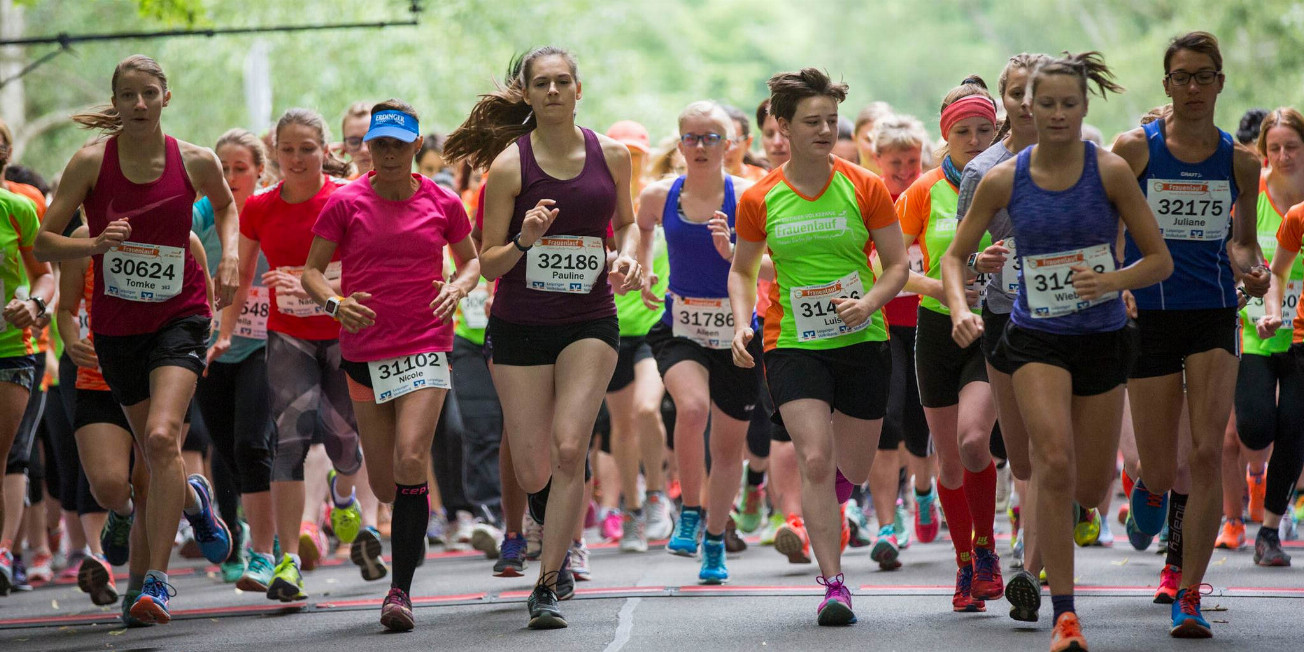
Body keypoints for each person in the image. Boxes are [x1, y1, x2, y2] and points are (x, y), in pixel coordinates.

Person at [944, 51, 1172, 651]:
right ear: (1025, 106)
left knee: (1089, 486)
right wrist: (964, 304)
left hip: (1100, 336)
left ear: (1084, 106)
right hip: (1034, 336)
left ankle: (1087, 510)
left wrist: (1111, 282)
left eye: (1068, 103)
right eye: (1044, 103)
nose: (1056, 113)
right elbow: (952, 255)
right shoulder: (999, 177)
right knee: (1050, 458)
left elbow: (1159, 260)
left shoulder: (1111, 171)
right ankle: (1064, 615)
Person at [444, 46, 642, 630]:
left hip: (591, 320)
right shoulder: (509, 167)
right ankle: (544, 508)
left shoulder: (613, 155)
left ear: (579, 89)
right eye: (542, 83)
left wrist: (627, 257)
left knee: (567, 448)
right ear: (527, 94)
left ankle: (549, 582)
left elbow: (627, 224)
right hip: (520, 325)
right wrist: (527, 238)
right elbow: (489, 264)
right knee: (534, 469)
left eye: (563, 82)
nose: (553, 91)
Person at [33, 55, 235, 623]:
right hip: (120, 329)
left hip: (183, 315)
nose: (140, 104)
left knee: (164, 436)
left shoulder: (195, 159)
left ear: (165, 97)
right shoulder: (91, 162)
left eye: (149, 93)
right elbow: (46, 242)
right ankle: (196, 500)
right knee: (149, 456)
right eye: (128, 95)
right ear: (116, 101)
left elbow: (225, 206)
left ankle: (157, 582)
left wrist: (233, 253)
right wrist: (94, 246)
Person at [730, 67, 908, 626]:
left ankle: (830, 495)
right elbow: (742, 271)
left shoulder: (865, 185)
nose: (826, 130)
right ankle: (834, 584)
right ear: (782, 127)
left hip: (861, 337)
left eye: (832, 120)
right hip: (792, 342)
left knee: (850, 468)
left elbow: (898, 264)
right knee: (812, 455)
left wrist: (870, 302)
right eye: (812, 121)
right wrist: (742, 323)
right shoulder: (761, 197)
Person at [1113, 31, 1269, 639]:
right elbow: (1112, 226)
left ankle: (1190, 592)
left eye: (1205, 76)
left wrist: (1251, 272)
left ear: (1221, 83)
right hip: (1148, 315)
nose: (1194, 88)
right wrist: (1118, 277)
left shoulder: (1241, 161)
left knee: (1205, 454)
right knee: (1161, 466)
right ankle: (1145, 488)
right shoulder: (1136, 150)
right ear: (1167, 84)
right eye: (1183, 77)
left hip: (1211, 311)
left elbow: (1243, 241)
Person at [301, 99, 479, 631]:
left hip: (426, 343)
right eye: (379, 144)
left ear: (417, 147)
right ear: (368, 148)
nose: (389, 153)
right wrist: (334, 304)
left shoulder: (443, 202)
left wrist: (457, 286)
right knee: (384, 482)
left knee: (409, 459)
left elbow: (471, 261)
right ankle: (408, 519)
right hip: (364, 352)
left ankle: (399, 590)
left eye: (399, 145)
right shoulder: (346, 202)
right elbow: (312, 272)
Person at [235, 107, 378, 602]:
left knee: (343, 437)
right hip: (287, 335)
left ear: (327, 152)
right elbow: (239, 279)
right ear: (275, 153)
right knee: (289, 441)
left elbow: (366, 268)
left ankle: (343, 495)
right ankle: (288, 560)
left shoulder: (346, 199)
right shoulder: (258, 208)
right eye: (287, 150)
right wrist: (222, 333)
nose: (296, 159)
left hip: (343, 333)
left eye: (307, 149)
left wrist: (305, 280)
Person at [639, 101, 757, 582]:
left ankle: (714, 539)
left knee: (730, 449)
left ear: (729, 144)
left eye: (712, 137)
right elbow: (639, 229)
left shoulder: (750, 197)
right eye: (693, 137)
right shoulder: (659, 194)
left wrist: (733, 254)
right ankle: (688, 510)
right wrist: (644, 266)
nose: (702, 146)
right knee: (691, 409)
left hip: (738, 333)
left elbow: (768, 268)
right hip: (682, 325)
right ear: (680, 142)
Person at [897, 76, 1002, 612]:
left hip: (990, 328)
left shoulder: (1008, 181)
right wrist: (944, 285)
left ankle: (987, 550)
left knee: (972, 441)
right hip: (937, 329)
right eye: (963, 130)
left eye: (986, 128)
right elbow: (886, 266)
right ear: (946, 135)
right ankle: (964, 565)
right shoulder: (923, 190)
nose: (975, 138)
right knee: (948, 461)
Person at [953, 52, 1052, 612]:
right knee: (1026, 456)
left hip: (1070, 320)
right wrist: (979, 264)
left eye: (1039, 92)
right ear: (1003, 101)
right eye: (1017, 93)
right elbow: (960, 261)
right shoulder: (981, 172)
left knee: (1052, 452)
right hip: (1007, 317)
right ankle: (1033, 564)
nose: (1028, 103)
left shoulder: (1090, 163)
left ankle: (1033, 572)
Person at [192, 128, 277, 589]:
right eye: (220, 170)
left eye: (239, 169)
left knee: (252, 443)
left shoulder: (269, 209)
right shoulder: (203, 212)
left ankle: (267, 544)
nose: (228, 177)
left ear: (259, 171)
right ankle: (235, 534)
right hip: (209, 348)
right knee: (224, 450)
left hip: (266, 345)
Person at [1247, 107, 1304, 568]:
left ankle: (1268, 529)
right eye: (1275, 148)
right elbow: (1247, 253)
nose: (1283, 156)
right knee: (1256, 426)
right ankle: (1257, 472)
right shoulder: (1253, 192)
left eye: (1292, 147)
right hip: (1258, 327)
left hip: (1301, 335)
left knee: (1294, 428)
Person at [341, 102, 373, 177]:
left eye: (371, 140)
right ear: (345, 147)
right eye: (354, 142)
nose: (364, 150)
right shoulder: (343, 185)